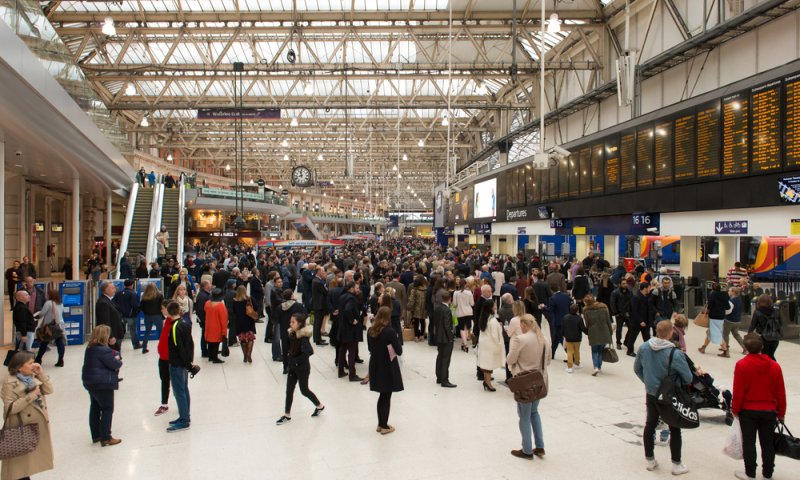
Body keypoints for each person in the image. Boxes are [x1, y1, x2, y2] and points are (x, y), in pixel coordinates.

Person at [633, 320, 692, 476]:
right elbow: (688, 377)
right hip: (669, 395)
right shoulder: (675, 353)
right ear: (670, 333)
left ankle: (650, 460)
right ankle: (676, 464)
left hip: (651, 393)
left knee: (650, 424)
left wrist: (648, 382)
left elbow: (637, 369)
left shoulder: (644, 347)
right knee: (675, 428)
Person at [731, 333, 786, 480]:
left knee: (749, 442)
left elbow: (738, 391)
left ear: (746, 348)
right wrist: (781, 413)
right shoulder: (775, 367)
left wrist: (735, 409)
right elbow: (780, 392)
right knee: (767, 443)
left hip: (748, 411)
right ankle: (767, 475)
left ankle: (750, 473)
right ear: (762, 346)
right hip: (769, 411)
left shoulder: (741, 365)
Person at [1, 351, 54, 479]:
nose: (33, 365)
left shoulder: (33, 378)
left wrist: (41, 373)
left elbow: (49, 390)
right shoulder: (10, 383)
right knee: (19, 468)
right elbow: (10, 408)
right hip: (20, 429)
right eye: (30, 363)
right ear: (20, 366)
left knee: (26, 467)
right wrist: (32, 396)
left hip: (33, 427)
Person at [507, 314, 550, 460]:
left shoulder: (521, 339)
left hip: (524, 383)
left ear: (524, 325)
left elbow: (510, 359)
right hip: (539, 382)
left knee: (524, 416)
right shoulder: (544, 339)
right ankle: (539, 446)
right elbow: (548, 361)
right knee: (534, 413)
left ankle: (526, 449)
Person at [276, 313, 325, 425]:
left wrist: (294, 361)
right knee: (289, 390)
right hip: (293, 368)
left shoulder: (303, 337)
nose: (290, 324)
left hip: (302, 368)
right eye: (290, 322)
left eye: (293, 322)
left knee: (304, 390)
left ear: (299, 324)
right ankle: (287, 415)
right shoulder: (292, 334)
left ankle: (319, 406)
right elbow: (290, 349)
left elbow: (309, 352)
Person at [81, 325, 123, 447]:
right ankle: (106, 437)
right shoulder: (104, 351)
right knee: (107, 408)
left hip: (90, 382)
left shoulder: (90, 348)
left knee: (95, 407)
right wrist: (118, 358)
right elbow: (116, 364)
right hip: (102, 383)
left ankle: (96, 435)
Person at [367, 305, 404, 435]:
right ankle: (383, 426)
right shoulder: (389, 332)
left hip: (375, 364)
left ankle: (380, 423)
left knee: (382, 395)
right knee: (386, 395)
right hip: (387, 366)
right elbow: (399, 351)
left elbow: (370, 349)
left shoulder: (371, 330)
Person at [166, 300, 196, 432]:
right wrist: (189, 362)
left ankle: (184, 420)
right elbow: (190, 345)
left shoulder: (174, 327)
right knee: (184, 389)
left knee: (179, 392)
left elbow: (179, 348)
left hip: (177, 364)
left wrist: (186, 363)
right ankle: (185, 415)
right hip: (184, 364)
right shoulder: (185, 324)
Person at [34, 286, 66, 367]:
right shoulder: (60, 303)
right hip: (59, 326)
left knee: (44, 343)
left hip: (49, 328)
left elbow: (42, 313)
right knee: (60, 344)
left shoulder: (48, 303)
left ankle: (38, 360)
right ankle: (60, 361)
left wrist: (36, 316)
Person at [337, 282, 363, 382]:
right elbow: (348, 310)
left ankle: (340, 371)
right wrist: (352, 320)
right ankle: (352, 375)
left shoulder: (342, 296)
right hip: (350, 329)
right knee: (352, 351)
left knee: (342, 350)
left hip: (342, 328)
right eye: (357, 288)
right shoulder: (352, 298)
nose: (358, 290)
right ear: (352, 288)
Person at [477, 301, 504, 392]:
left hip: (484, 344)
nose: (496, 306)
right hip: (491, 344)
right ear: (491, 307)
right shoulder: (492, 320)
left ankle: (486, 380)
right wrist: (499, 344)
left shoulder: (483, 317)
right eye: (494, 305)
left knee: (485, 363)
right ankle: (488, 383)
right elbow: (495, 335)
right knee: (489, 365)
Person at [583, 294, 613, 376]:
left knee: (594, 351)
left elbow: (587, 323)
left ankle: (595, 367)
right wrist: (610, 332)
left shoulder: (586, 310)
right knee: (600, 351)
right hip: (604, 331)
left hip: (593, 332)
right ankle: (599, 367)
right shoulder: (604, 307)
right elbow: (608, 320)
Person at [698, 282, 731, 356]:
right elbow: (728, 307)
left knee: (717, 334)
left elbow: (709, 306)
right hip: (721, 317)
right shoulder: (724, 295)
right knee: (710, 332)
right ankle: (703, 348)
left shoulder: (712, 295)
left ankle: (725, 351)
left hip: (714, 317)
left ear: (712, 288)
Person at [431, 291, 456, 388]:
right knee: (446, 359)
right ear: (450, 299)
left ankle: (439, 377)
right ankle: (444, 380)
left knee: (440, 357)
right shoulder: (447, 310)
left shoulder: (437, 308)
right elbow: (447, 325)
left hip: (438, 336)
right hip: (446, 338)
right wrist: (451, 337)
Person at [95, 281, 125, 355]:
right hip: (112, 335)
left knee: (116, 356)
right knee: (113, 356)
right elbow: (105, 321)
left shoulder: (108, 300)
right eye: (112, 288)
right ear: (106, 290)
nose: (114, 290)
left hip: (116, 333)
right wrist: (110, 336)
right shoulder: (103, 302)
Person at [748, 294, 781, 361]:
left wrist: (748, 338)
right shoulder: (776, 311)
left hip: (763, 338)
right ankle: (774, 368)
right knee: (771, 355)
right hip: (775, 338)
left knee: (764, 356)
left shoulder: (757, 312)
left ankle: (769, 369)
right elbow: (780, 323)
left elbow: (752, 326)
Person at [625, 283, 653, 357]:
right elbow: (634, 311)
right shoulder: (636, 297)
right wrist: (640, 321)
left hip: (646, 321)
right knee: (633, 337)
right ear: (645, 288)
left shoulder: (647, 297)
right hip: (637, 322)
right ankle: (629, 351)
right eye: (649, 288)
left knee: (647, 338)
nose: (650, 289)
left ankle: (649, 352)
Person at [114, 279, 141, 350]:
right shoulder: (133, 294)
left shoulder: (118, 293)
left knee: (120, 330)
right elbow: (136, 305)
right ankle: (136, 345)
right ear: (132, 285)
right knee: (133, 331)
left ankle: (118, 345)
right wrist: (136, 312)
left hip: (120, 315)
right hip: (131, 315)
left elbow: (114, 303)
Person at [232, 285, 256, 363]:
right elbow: (256, 307)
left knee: (242, 339)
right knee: (250, 338)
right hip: (249, 320)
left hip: (239, 322)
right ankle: (249, 353)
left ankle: (245, 355)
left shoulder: (235, 301)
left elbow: (234, 311)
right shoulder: (249, 299)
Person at [204, 289, 228, 364]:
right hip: (217, 327)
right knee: (216, 342)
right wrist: (224, 331)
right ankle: (215, 358)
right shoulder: (220, 305)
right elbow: (224, 319)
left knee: (210, 342)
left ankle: (210, 357)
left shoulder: (207, 303)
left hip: (208, 325)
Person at [140, 282, 164, 354]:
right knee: (161, 332)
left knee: (147, 332)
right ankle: (162, 347)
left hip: (147, 316)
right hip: (157, 315)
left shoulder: (144, 297)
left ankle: (144, 348)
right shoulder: (159, 296)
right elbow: (162, 306)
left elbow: (141, 307)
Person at [561, 304, 586, 373]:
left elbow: (562, 328)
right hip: (577, 338)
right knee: (577, 351)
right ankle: (577, 363)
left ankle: (570, 367)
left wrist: (563, 335)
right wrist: (588, 332)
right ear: (577, 310)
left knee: (569, 352)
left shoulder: (565, 317)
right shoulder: (579, 318)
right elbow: (583, 328)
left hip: (568, 338)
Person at [610, 279, 633, 350]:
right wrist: (616, 313)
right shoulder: (615, 292)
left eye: (626, 283)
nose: (625, 285)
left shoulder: (629, 292)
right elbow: (612, 303)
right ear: (619, 284)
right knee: (619, 329)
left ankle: (626, 341)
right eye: (623, 283)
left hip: (628, 314)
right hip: (619, 314)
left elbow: (632, 302)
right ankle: (618, 343)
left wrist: (631, 312)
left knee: (631, 328)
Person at [722, 287, 745, 357]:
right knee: (736, 335)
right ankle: (745, 348)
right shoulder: (739, 300)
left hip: (729, 320)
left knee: (725, 335)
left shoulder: (731, 301)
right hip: (737, 320)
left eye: (729, 291)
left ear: (733, 292)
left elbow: (728, 311)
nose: (728, 292)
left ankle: (726, 349)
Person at [311, 266, 330, 346]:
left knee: (317, 323)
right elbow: (326, 291)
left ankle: (317, 338)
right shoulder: (318, 281)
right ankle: (318, 339)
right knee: (318, 323)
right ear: (318, 272)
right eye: (322, 271)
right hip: (319, 305)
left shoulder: (317, 280)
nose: (324, 273)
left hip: (318, 304)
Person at [195, 280, 213, 358]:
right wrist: (204, 319)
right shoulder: (202, 296)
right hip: (205, 319)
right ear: (205, 286)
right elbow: (201, 310)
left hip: (207, 319)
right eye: (209, 284)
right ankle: (204, 351)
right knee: (205, 335)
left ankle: (208, 350)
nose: (211, 285)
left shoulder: (206, 294)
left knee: (206, 335)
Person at [407, 275, 428, 342]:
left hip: (416, 308)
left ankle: (416, 336)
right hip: (424, 308)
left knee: (416, 322)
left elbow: (411, 300)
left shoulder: (414, 290)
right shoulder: (426, 290)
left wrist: (409, 307)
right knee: (423, 321)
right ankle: (422, 336)